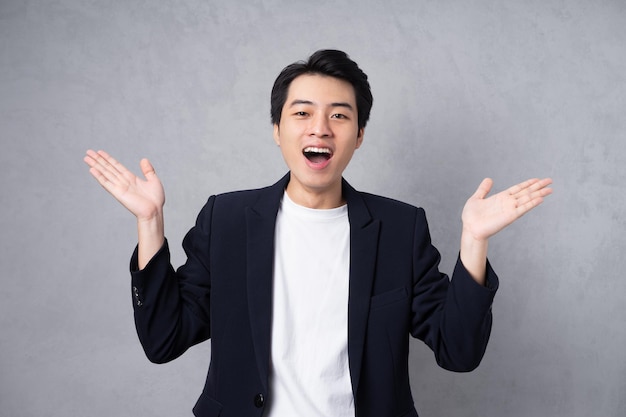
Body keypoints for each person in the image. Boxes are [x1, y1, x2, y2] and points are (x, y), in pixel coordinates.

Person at [84, 49, 552, 417]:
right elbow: (164, 340)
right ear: (277, 129)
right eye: (303, 113)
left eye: (340, 116)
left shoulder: (399, 229)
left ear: (360, 134)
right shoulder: (226, 221)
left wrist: (474, 241)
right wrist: (150, 223)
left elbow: (459, 351)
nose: (321, 129)